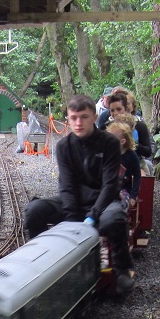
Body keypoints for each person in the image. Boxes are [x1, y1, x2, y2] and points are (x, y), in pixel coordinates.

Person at [23, 94, 135, 294]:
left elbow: (110, 184)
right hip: (75, 202)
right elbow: (66, 185)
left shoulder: (109, 142)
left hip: (104, 201)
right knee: (35, 210)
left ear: (93, 117)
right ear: (68, 118)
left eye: (83, 117)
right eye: (73, 118)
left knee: (114, 219)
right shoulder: (64, 146)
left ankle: (122, 270)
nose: (78, 122)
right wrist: (72, 218)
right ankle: (40, 261)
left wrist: (93, 214)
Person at [107, 120, 142, 210]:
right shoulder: (107, 153)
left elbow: (137, 175)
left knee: (122, 202)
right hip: (108, 187)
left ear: (122, 141)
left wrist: (133, 196)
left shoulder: (131, 156)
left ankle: (120, 217)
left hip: (124, 189)